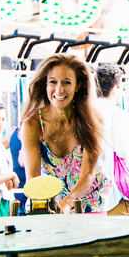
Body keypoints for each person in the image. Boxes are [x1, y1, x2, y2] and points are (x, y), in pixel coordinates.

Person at [20, 54, 117, 214]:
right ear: (45, 84)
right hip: (53, 200)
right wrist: (44, 206)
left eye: (67, 82)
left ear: (78, 85)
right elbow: (33, 179)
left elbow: (88, 173)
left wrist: (67, 203)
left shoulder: (92, 119)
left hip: (91, 199)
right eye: (53, 82)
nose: (59, 89)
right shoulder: (32, 123)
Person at [93, 64, 129, 217]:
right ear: (115, 88)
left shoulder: (85, 112)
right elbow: (124, 151)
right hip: (113, 194)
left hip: (88, 196)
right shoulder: (118, 114)